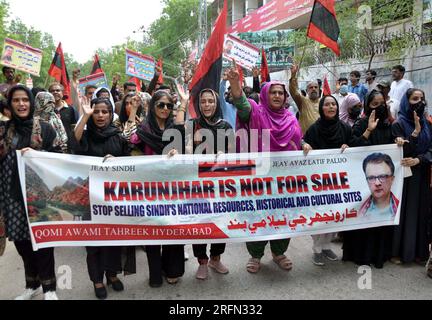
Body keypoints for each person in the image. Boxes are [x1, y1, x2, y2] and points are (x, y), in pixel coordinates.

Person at [227, 60, 302, 274]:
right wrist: (235, 84)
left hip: (285, 180)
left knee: (284, 214)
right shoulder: (255, 112)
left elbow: (298, 139)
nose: (277, 96)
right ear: (265, 95)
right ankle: (255, 255)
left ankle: (279, 252)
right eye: (273, 92)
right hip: (259, 178)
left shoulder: (290, 117)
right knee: (257, 215)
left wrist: (304, 144)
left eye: (281, 93)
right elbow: (241, 103)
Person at [0, 85, 60, 300]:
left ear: (31, 102)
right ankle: (31, 284)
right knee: (22, 244)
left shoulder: (45, 129)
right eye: (16, 100)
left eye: (25, 99)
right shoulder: (3, 130)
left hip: (40, 198)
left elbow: (61, 159)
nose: (21, 104)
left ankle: (50, 289)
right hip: (12, 197)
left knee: (43, 244)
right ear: (10, 104)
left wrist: (39, 154)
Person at [74, 97, 130, 299]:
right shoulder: (86, 135)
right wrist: (84, 115)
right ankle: (97, 280)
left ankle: (112, 275)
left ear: (110, 114)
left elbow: (132, 162)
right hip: (89, 199)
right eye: (96, 112)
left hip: (114, 199)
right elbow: (75, 141)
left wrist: (118, 161)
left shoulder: (118, 136)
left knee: (114, 240)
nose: (100, 115)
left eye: (104, 112)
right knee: (94, 243)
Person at [130, 90, 187, 287]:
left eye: (169, 106)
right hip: (149, 189)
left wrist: (176, 154)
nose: (165, 109)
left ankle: (171, 269)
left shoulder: (175, 128)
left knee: (173, 229)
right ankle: (155, 271)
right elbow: (128, 146)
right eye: (161, 105)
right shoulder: (143, 129)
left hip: (173, 189)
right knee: (152, 231)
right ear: (152, 106)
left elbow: (185, 151)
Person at [342, 90, 401, 269]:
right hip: (363, 182)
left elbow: (396, 153)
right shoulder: (360, 124)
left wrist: (398, 141)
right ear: (368, 107)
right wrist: (368, 130)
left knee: (380, 217)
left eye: (382, 103)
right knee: (363, 217)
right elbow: (353, 147)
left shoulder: (390, 125)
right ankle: (360, 255)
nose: (380, 107)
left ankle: (379, 255)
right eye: (375, 104)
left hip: (383, 185)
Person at [185, 88, 233, 280]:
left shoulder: (226, 126)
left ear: (216, 103)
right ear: (199, 104)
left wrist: (224, 155)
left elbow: (232, 154)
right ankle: (202, 262)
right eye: (203, 102)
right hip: (197, 184)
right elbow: (186, 150)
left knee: (220, 221)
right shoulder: (192, 125)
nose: (207, 105)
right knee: (199, 222)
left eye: (210, 102)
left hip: (220, 184)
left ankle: (215, 258)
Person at [302, 95, 353, 266]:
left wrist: (348, 147)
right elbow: (304, 142)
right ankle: (317, 249)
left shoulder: (345, 128)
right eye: (327, 104)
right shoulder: (314, 129)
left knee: (335, 215)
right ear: (321, 108)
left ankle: (326, 246)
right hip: (319, 182)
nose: (331, 107)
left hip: (339, 182)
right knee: (320, 215)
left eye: (334, 104)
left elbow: (353, 146)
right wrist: (305, 145)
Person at [391, 88, 432, 265]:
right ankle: (400, 252)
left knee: (422, 212)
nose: (420, 102)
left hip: (422, 172)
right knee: (406, 213)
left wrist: (419, 160)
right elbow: (401, 151)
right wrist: (415, 132)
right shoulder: (398, 124)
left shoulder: (428, 123)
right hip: (405, 176)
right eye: (415, 99)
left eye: (422, 98)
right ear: (407, 102)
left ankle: (419, 253)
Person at [289, 64, 320, 133]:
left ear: (319, 90)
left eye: (316, 87)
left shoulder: (323, 102)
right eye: (311, 87)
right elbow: (293, 92)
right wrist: (293, 75)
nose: (314, 89)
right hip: (306, 139)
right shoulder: (303, 101)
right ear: (307, 91)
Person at [48, 83, 78, 152]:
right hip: (51, 148)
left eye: (58, 90)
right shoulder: (45, 110)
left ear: (63, 93)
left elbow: (74, 129)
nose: (55, 92)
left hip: (67, 148)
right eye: (52, 91)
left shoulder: (71, 109)